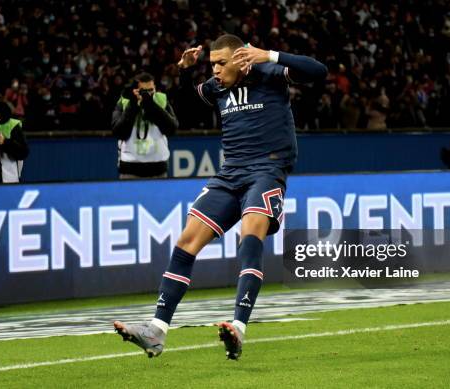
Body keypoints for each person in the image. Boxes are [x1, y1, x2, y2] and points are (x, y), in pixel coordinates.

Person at [114, 34, 327, 359]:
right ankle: (156, 330)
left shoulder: (269, 74)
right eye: (212, 63)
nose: (214, 70)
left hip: (266, 171)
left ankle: (238, 328)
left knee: (250, 234)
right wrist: (185, 72)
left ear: (241, 59)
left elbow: (318, 71)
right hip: (230, 174)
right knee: (186, 242)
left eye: (221, 63)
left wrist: (269, 54)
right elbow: (184, 108)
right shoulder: (218, 88)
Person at [111, 72, 178, 179]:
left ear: (155, 87)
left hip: (158, 167)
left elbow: (171, 129)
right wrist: (133, 104)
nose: (148, 94)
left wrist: (150, 105)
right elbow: (119, 132)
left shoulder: (161, 99)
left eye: (151, 90)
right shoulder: (124, 101)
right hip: (130, 167)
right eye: (144, 91)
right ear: (135, 90)